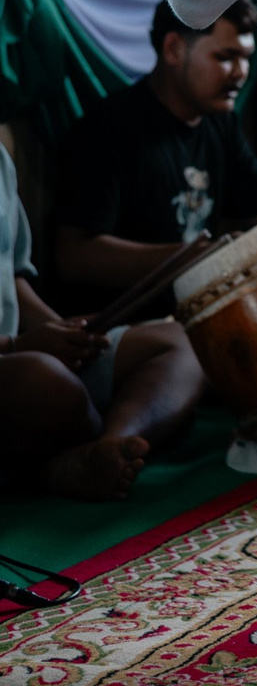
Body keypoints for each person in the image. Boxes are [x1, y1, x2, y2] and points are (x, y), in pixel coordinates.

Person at [51, 0, 257, 313]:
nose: (240, 72)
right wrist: (191, 259)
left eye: (246, 58)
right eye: (225, 57)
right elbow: (73, 257)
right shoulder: (109, 130)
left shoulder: (220, 123)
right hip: (126, 324)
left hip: (196, 312)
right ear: (174, 49)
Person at [0, 137, 206, 500]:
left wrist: (64, 333)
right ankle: (47, 470)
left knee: (183, 339)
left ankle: (109, 448)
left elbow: (13, 277)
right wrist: (19, 345)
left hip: (23, 350)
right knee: (43, 379)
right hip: (16, 364)